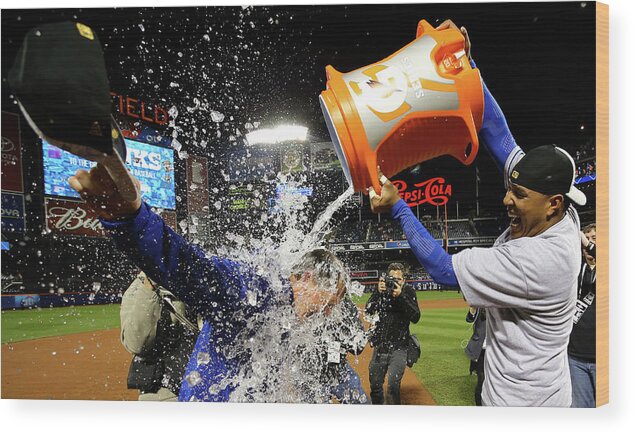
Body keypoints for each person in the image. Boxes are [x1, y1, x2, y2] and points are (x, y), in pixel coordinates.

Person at [367, 20, 585, 407]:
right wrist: (466, 68)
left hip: (523, 406)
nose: (507, 200)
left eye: (518, 195)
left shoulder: (541, 260)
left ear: (553, 204)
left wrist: (399, 205)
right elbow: (498, 135)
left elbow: (444, 269)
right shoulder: (561, 211)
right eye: (509, 189)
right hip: (530, 390)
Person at [68, 166, 368, 403]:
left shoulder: (286, 312)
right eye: (331, 298)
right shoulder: (258, 289)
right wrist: (131, 220)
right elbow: (196, 271)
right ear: (304, 278)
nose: (330, 311)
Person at [120, 271, 198, 401]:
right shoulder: (139, 287)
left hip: (207, 386)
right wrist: (149, 288)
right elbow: (136, 344)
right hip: (167, 394)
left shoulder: (199, 277)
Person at [365, 262, 420, 404]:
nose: (395, 282)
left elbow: (415, 317)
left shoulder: (407, 291)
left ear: (404, 280)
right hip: (380, 346)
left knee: (393, 387)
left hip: (399, 347)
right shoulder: (382, 292)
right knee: (375, 386)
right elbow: (368, 310)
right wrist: (377, 292)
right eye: (392, 279)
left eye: (398, 279)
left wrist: (401, 296)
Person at [567, 223, 597, 407]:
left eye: (594, 238)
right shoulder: (576, 270)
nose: (587, 243)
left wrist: (588, 243)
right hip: (575, 355)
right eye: (586, 238)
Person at [464, 306, 486, 406]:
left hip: (496, 348)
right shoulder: (479, 305)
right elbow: (469, 319)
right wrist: (472, 309)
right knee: (481, 379)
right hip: (482, 349)